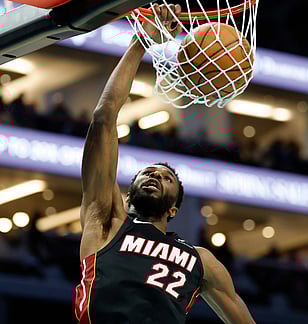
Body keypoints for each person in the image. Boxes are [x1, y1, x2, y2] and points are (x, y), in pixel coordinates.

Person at [74, 4, 256, 324]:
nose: (155, 175)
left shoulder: (201, 261)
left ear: (173, 210)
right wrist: (141, 42)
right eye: (148, 174)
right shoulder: (105, 221)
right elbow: (104, 116)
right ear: (128, 196)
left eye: (166, 177)